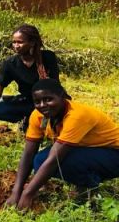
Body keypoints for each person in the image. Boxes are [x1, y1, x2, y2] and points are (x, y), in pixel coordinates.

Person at [8, 78, 119, 210]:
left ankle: (89, 189)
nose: (43, 105)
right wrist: (16, 192)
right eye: (37, 101)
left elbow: (54, 159)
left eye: (48, 99)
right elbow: (28, 153)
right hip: (90, 150)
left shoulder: (77, 115)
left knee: (59, 160)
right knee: (40, 160)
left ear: (62, 96)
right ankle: (86, 182)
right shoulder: (38, 116)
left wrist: (28, 194)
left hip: (114, 153)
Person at [0, 24, 59, 136]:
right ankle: (26, 121)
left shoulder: (48, 58)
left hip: (48, 102)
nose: (16, 46)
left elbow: (55, 87)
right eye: (14, 42)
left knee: (49, 131)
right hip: (27, 102)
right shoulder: (10, 63)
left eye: (20, 42)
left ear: (32, 42)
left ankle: (43, 123)